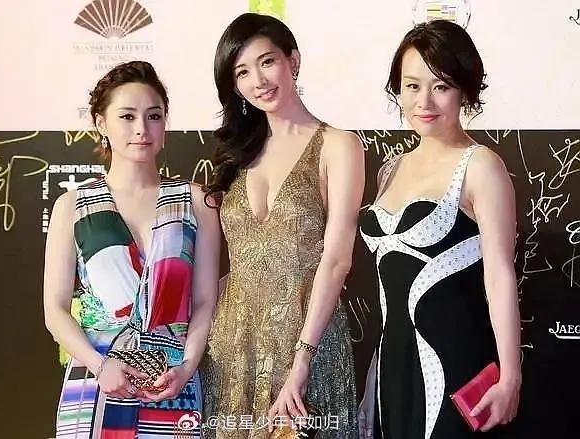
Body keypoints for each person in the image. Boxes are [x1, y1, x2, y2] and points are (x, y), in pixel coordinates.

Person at [200, 13, 364, 438]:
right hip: (233, 349)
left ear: (293, 60)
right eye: (242, 72)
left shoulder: (338, 145)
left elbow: (337, 260)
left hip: (308, 342)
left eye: (267, 62)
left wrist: (303, 357)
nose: (258, 80)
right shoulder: (237, 155)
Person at [359, 20, 521, 438]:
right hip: (393, 370)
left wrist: (510, 376)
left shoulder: (481, 166)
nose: (424, 101)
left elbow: (500, 276)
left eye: (441, 86)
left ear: (464, 90)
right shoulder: (390, 169)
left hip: (457, 366)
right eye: (412, 86)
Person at [44, 61, 220, 438]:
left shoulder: (196, 202)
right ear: (101, 123)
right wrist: (99, 366)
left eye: (153, 116)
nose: (142, 128)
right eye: (127, 116)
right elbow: (54, 310)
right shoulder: (73, 206)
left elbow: (206, 300)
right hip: (97, 382)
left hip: (171, 383)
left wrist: (187, 367)